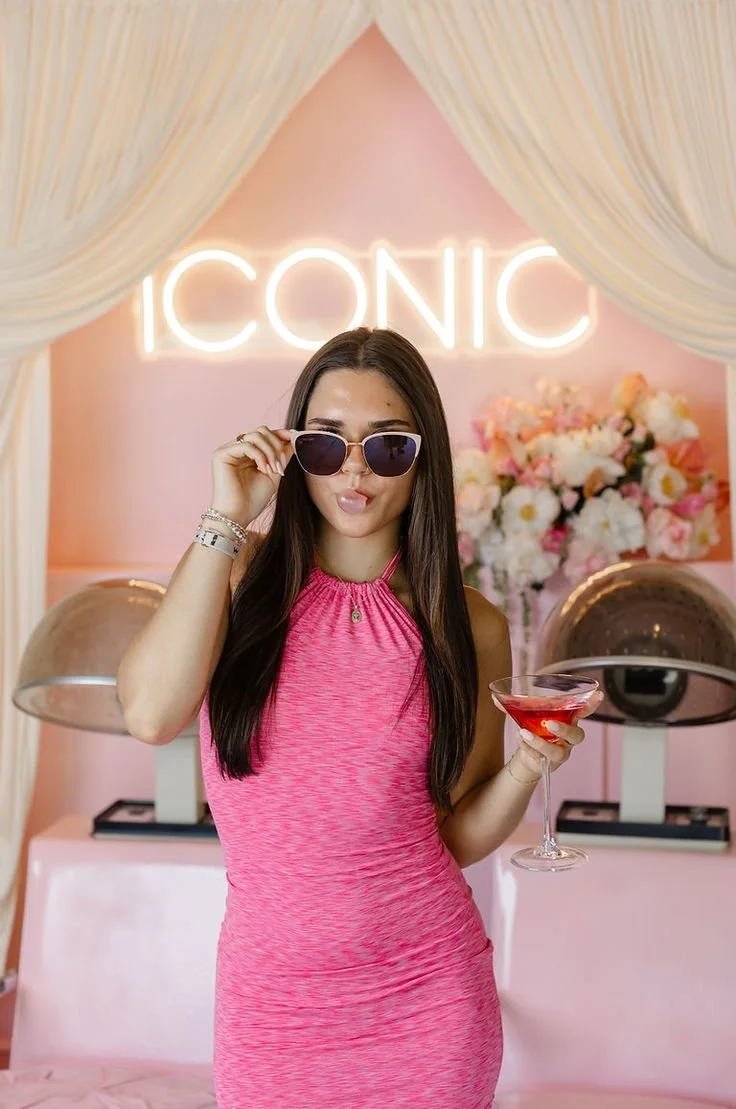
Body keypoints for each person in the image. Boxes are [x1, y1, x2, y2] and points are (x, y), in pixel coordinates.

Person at [117, 327, 596, 1108]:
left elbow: (454, 834)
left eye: (387, 448)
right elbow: (148, 711)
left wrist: (529, 765)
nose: (353, 471)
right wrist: (224, 513)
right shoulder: (232, 572)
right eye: (325, 443)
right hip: (272, 1013)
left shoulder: (463, 622)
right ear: (292, 449)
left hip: (428, 1002)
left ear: (422, 458)